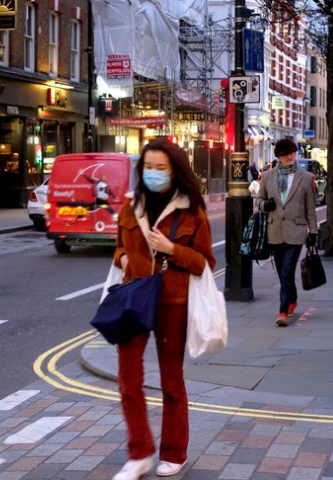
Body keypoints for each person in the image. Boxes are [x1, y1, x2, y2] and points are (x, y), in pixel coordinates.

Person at [111, 138, 215, 480]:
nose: (153, 174)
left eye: (161, 168)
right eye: (148, 168)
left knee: (171, 382)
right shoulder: (131, 206)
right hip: (133, 300)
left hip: (173, 302)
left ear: (175, 171)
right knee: (128, 381)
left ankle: (174, 453)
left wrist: (172, 249)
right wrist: (123, 258)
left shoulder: (192, 210)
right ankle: (139, 453)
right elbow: (118, 247)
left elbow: (204, 262)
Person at [258, 138, 319, 327]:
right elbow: (259, 200)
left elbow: (310, 207)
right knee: (284, 273)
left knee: (287, 270)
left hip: (296, 231)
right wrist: (264, 205)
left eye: (293, 153)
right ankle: (292, 299)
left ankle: (283, 311)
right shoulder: (267, 176)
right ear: (279, 157)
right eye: (286, 155)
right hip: (274, 231)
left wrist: (313, 232)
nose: (291, 157)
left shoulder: (306, 177)